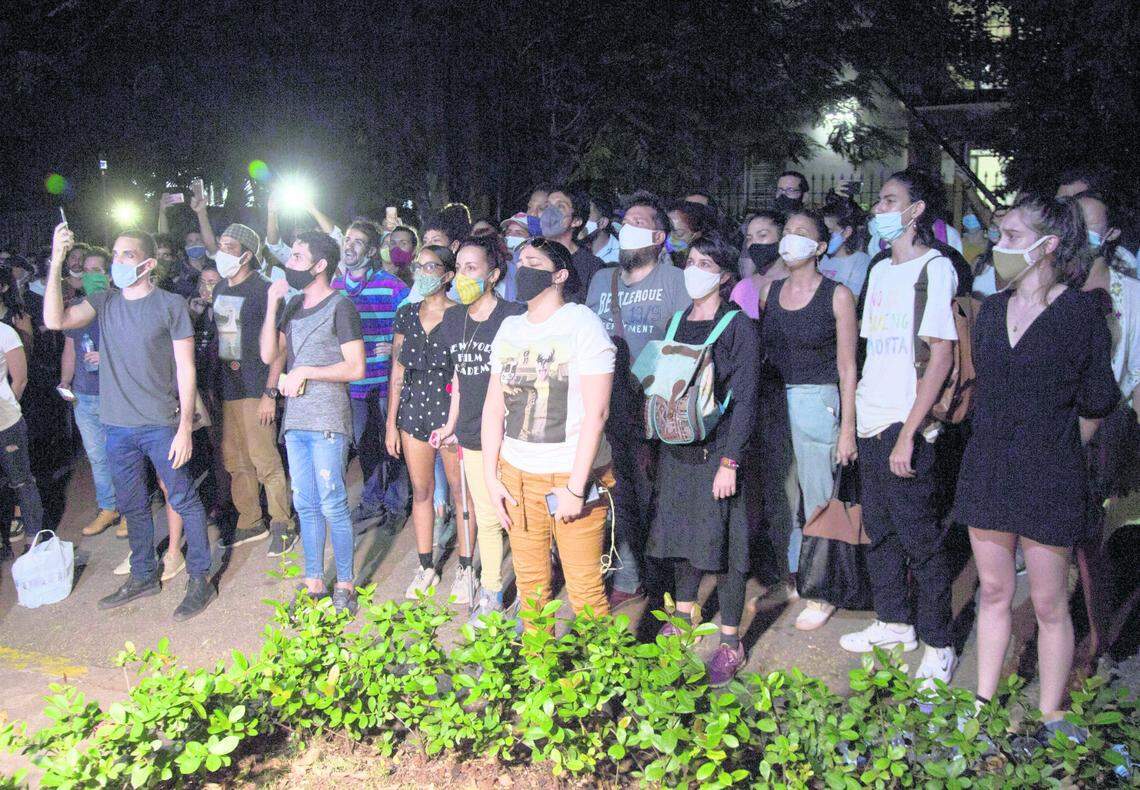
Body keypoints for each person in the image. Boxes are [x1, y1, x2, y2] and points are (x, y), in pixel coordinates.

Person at [951, 195, 1118, 729]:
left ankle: (1050, 715)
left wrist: (1057, 445)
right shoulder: (993, 309)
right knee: (995, 591)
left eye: (1012, 236)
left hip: (1051, 475)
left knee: (1048, 604)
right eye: (1000, 235)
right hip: (988, 470)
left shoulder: (1080, 313)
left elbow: (1096, 403)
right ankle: (980, 702)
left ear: (1048, 246)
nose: (1000, 246)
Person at [43, 223, 216, 620]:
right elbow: (55, 320)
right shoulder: (104, 301)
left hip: (160, 424)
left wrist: (185, 427)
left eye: (127, 255)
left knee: (183, 498)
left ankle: (199, 578)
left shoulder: (171, 305)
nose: (117, 261)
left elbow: (185, 368)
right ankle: (143, 575)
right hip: (117, 427)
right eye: (115, 253)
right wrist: (56, 261)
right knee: (133, 504)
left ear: (148, 263)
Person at [839, 171, 959, 688]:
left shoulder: (936, 269)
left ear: (916, 210)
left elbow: (941, 356)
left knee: (920, 538)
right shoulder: (881, 270)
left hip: (905, 423)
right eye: (879, 200)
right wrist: (852, 423)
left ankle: (939, 642)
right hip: (871, 418)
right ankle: (894, 622)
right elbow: (870, 355)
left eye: (891, 200)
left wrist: (911, 430)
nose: (879, 208)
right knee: (880, 532)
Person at [483, 238, 616, 623]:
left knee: (585, 588)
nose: (522, 269)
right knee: (531, 585)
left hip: (568, 477)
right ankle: (539, 670)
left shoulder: (581, 323)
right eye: (519, 261)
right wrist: (492, 478)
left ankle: (603, 679)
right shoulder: (509, 327)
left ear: (559, 275)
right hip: (516, 476)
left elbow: (598, 412)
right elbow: (494, 407)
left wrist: (576, 488)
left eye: (534, 262)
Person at [646, 233, 759, 684]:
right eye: (691, 261)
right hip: (677, 450)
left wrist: (730, 462)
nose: (695, 270)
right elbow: (653, 379)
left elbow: (747, 399)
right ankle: (685, 616)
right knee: (682, 538)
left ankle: (730, 640)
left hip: (718, 454)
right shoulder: (675, 322)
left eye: (706, 264)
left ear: (725, 276)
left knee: (727, 547)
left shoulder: (739, 327)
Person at [585, 190, 690, 609]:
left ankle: (663, 581)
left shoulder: (677, 282)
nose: (627, 228)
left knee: (655, 498)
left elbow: (686, 346)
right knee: (615, 493)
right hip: (607, 407)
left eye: (639, 222)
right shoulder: (601, 279)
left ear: (659, 237)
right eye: (624, 220)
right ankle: (628, 572)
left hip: (654, 408)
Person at [759, 210, 859, 630]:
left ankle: (824, 588)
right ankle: (797, 576)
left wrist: (848, 429)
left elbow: (848, 367)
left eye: (802, 234)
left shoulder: (837, 295)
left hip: (818, 402)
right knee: (786, 498)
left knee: (819, 497)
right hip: (778, 402)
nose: (790, 239)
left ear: (820, 247)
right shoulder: (770, 291)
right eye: (788, 232)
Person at [260, 231, 365, 614]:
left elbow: (356, 367)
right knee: (304, 503)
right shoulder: (292, 307)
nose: (291, 263)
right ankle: (313, 580)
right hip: (297, 422)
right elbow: (270, 353)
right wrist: (272, 305)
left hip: (327, 421)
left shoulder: (341, 306)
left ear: (320, 266)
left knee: (333, 502)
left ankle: (346, 583)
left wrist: (306, 370)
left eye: (299, 257)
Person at [433, 237, 526, 619]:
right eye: (459, 267)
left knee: (518, 520)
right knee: (486, 518)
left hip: (513, 436)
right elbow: (457, 376)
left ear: (494, 274)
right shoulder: (453, 318)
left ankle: (528, 590)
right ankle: (489, 591)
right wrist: (451, 424)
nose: (462, 275)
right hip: (472, 436)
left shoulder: (513, 315)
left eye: (472, 267)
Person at [210, 223, 296, 554]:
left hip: (255, 387)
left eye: (229, 246)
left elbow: (280, 347)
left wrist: (269, 393)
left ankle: (282, 523)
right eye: (221, 244)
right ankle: (250, 520)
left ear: (247, 254)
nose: (222, 251)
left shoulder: (264, 290)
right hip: (228, 387)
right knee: (235, 460)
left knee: (265, 459)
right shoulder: (220, 289)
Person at [387, 245, 465, 600]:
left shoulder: (463, 315)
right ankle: (425, 566)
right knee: (422, 491)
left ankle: (466, 567)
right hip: (413, 410)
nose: (423, 272)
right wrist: (391, 423)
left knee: (461, 493)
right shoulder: (405, 315)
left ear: (448, 275)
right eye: (420, 266)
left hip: (451, 411)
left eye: (432, 266)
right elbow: (398, 372)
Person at [332, 221, 411, 528]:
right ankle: (370, 500)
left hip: (387, 382)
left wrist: (393, 345)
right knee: (365, 445)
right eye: (347, 239)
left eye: (359, 241)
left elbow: (413, 328)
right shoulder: (335, 288)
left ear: (372, 250)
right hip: (353, 386)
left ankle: (395, 505)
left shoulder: (393, 286)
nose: (350, 246)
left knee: (391, 444)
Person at [58, 254, 122, 539]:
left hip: (115, 393)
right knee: (97, 456)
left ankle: (132, 511)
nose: (91, 275)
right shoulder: (76, 309)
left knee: (123, 455)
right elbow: (70, 350)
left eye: (97, 270)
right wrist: (65, 381)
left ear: (109, 274)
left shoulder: (121, 304)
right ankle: (108, 507)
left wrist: (107, 357)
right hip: (84, 395)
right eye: (86, 271)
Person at [0, 294, 43, 563]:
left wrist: (7, 407)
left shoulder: (5, 333)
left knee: (21, 481)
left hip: (6, 422)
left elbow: (20, 379)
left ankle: (33, 538)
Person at [540, 187, 605, 304]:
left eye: (560, 206)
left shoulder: (592, 267)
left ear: (576, 221)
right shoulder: (528, 256)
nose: (550, 212)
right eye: (547, 206)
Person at [731, 212, 787, 317]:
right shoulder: (743, 288)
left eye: (762, 235)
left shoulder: (801, 283)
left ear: (782, 238)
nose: (754, 243)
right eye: (749, 238)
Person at [820, 198, 873, 299]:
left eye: (830, 232)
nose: (824, 237)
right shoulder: (821, 258)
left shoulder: (861, 261)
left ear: (846, 232)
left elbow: (853, 301)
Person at [584, 196, 619, 264]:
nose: (581, 220)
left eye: (587, 215)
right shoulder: (572, 248)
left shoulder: (619, 257)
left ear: (602, 223)